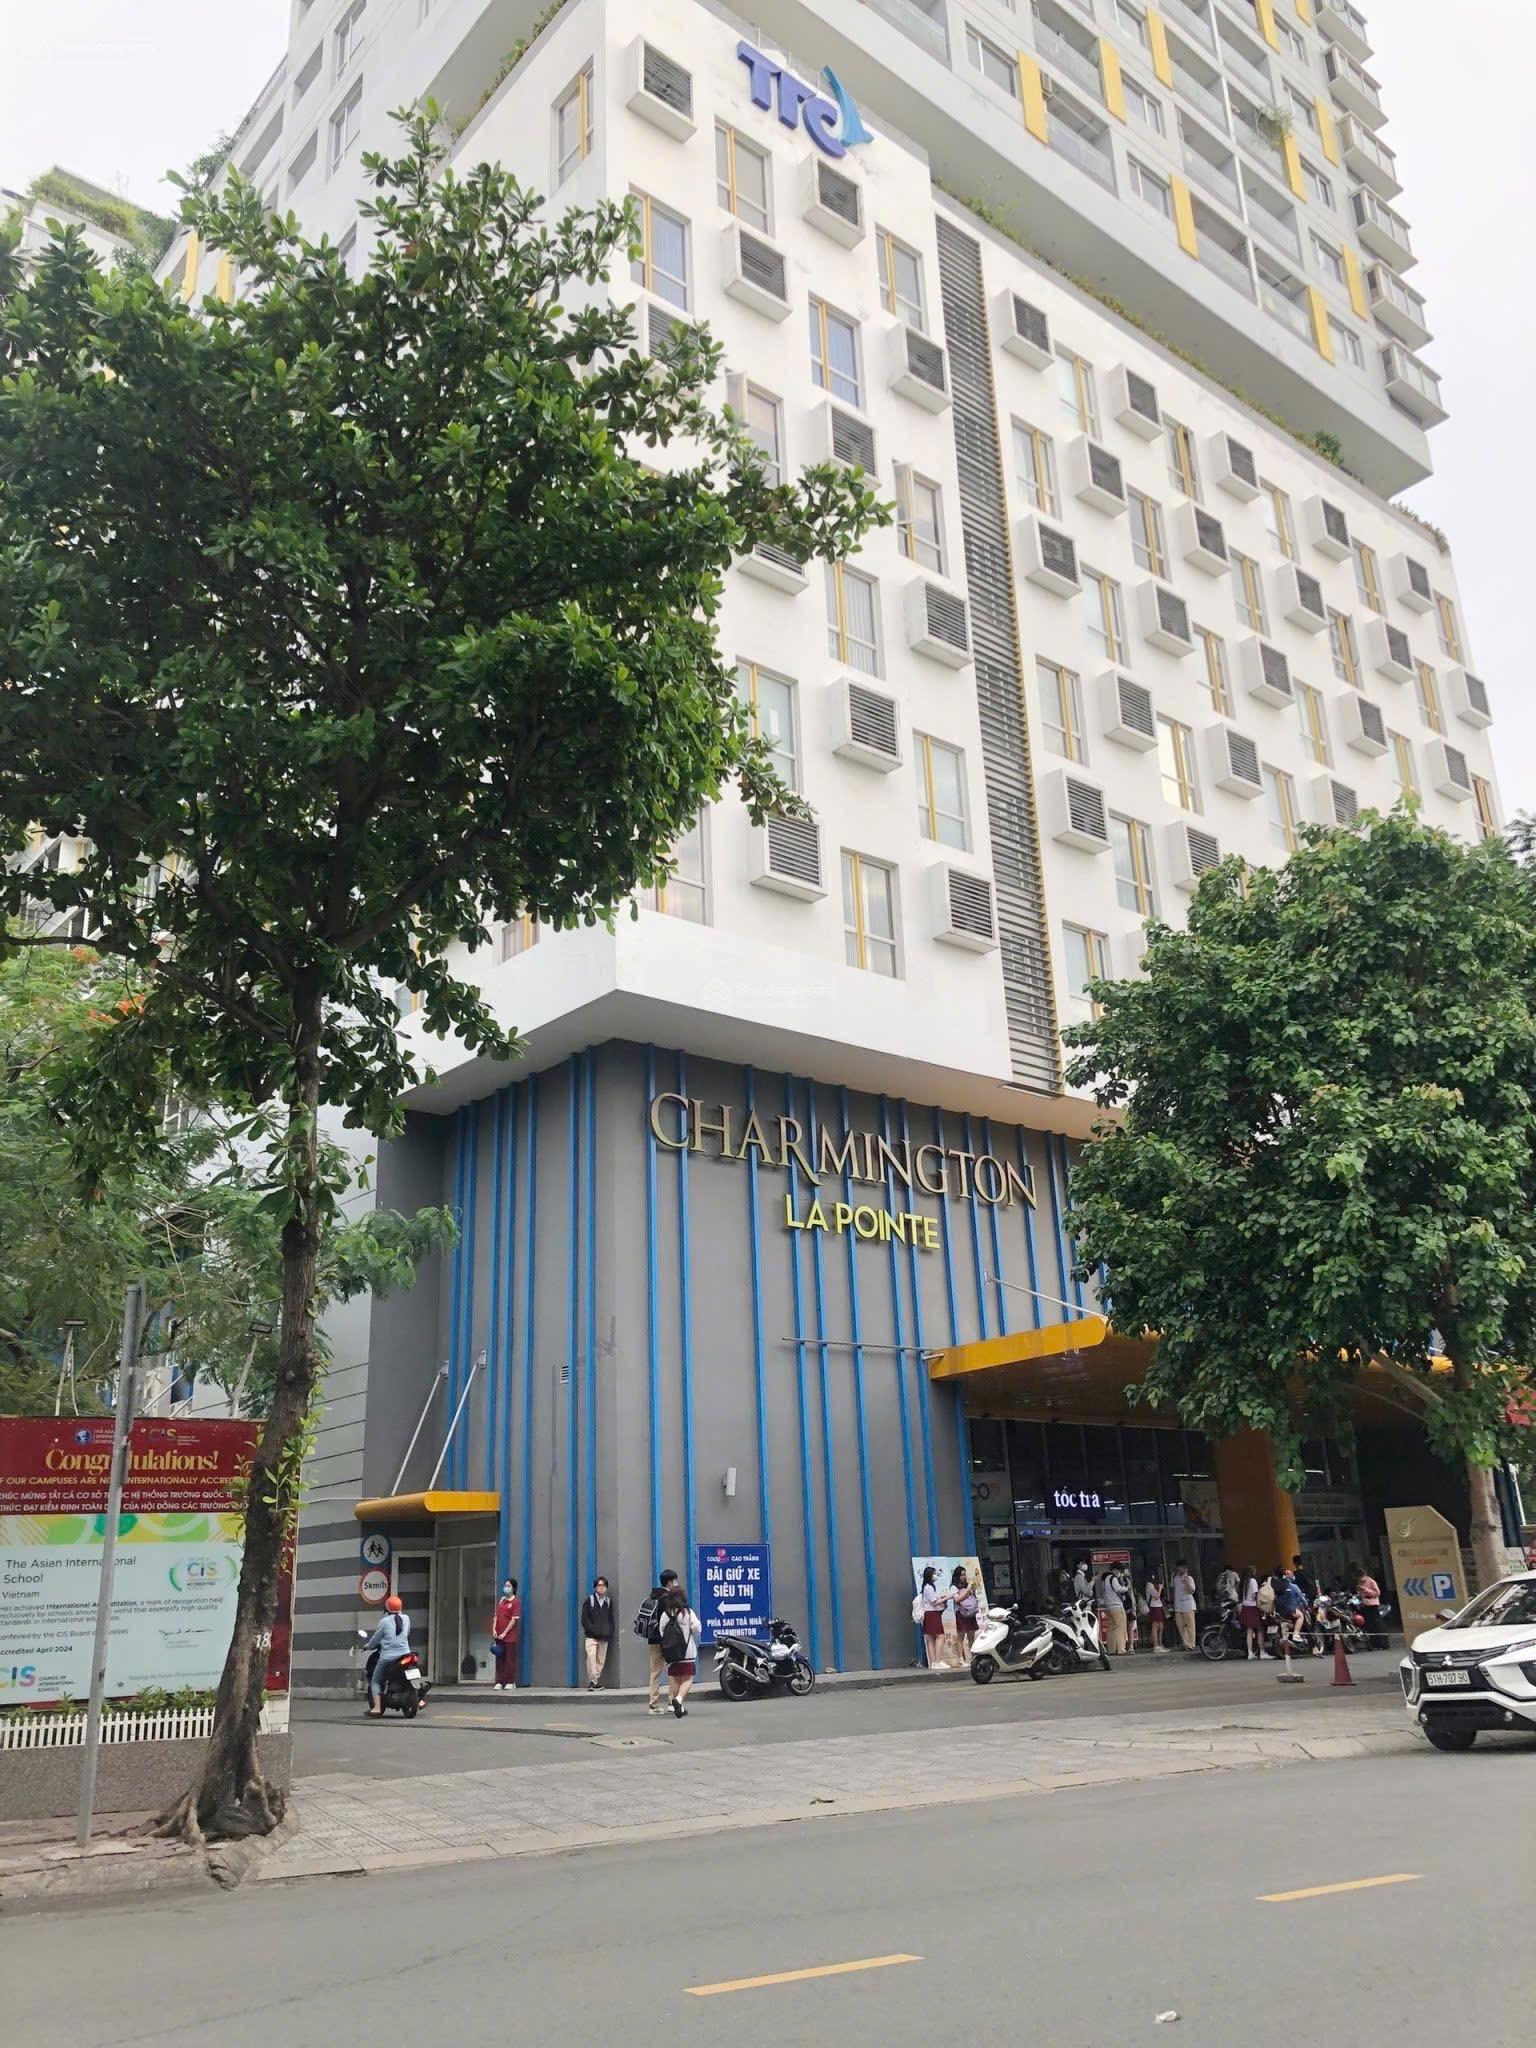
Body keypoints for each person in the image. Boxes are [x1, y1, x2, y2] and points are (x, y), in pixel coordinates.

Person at [635, 1568, 679, 1714]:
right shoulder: (669, 1598)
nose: (676, 1583)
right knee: (672, 1671)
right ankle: (672, 1702)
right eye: (675, 1581)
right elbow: (671, 1620)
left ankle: (653, 1705)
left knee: (655, 1673)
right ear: (670, 1582)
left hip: (653, 1639)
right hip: (667, 1640)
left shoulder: (653, 1596)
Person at [658, 1585, 702, 1718]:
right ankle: (679, 1699)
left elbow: (661, 1632)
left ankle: (680, 1707)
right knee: (688, 1678)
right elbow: (697, 1628)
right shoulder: (687, 1613)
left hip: (672, 1653)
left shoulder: (665, 1614)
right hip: (687, 1652)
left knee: (676, 1679)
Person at [364, 1594, 411, 1715]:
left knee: (375, 1681)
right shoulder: (406, 1618)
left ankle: (377, 1708)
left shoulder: (384, 1622)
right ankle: (419, 1701)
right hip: (406, 1654)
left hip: (388, 1657)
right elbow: (407, 1634)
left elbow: (376, 1639)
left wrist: (368, 1646)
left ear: (387, 1608)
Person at [580, 1575, 614, 1690]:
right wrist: (593, 1630)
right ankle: (592, 1682)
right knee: (591, 1657)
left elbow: (610, 1619)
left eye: (604, 1586)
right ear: (595, 1587)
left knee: (600, 1661)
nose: (602, 1588)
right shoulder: (589, 1601)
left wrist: (609, 1631)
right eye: (599, 1585)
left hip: (604, 1637)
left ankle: (594, 1681)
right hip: (591, 1636)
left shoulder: (608, 1602)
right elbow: (584, 1620)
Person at [491, 1577, 521, 1690]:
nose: (506, 1588)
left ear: (513, 1588)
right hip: (499, 1636)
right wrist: (494, 1629)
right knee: (500, 1659)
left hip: (509, 1636)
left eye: (509, 1586)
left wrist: (505, 1633)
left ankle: (510, 1681)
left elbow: (513, 1620)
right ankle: (499, 1681)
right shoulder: (501, 1600)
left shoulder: (515, 1602)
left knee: (509, 1659)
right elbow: (496, 1616)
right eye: (505, 1585)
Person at [918, 1564, 950, 1667]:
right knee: (940, 1636)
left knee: (930, 1639)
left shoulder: (925, 1587)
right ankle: (938, 1661)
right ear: (930, 1575)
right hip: (932, 1614)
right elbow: (934, 1602)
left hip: (928, 1614)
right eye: (934, 1573)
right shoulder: (930, 1587)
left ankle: (933, 1663)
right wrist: (947, 1597)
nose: (936, 1575)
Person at [1275, 1567, 1310, 1652]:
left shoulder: (1277, 1585)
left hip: (1278, 1611)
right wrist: (1307, 1606)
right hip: (1289, 1609)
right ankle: (1296, 1634)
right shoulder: (1293, 1586)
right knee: (1300, 1616)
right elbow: (1301, 1598)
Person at [951, 1565, 982, 1662]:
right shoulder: (954, 1587)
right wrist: (967, 1591)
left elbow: (973, 1597)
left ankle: (973, 1658)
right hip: (961, 1612)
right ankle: (961, 1658)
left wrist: (973, 1590)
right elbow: (957, 1599)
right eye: (962, 1575)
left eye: (965, 1574)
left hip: (971, 1612)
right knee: (961, 1636)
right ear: (957, 1576)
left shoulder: (967, 1584)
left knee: (971, 1635)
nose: (964, 1577)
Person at [1097, 1565, 1128, 1657]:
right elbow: (1118, 1588)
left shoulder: (1104, 1581)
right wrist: (1126, 1588)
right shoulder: (1113, 1578)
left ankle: (1111, 1649)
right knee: (1120, 1628)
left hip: (1108, 1607)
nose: (1119, 1573)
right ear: (1115, 1570)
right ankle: (1121, 1649)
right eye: (1119, 1570)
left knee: (1111, 1628)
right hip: (1117, 1606)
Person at [1353, 1564, 1384, 1646]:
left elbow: (1377, 1593)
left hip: (1373, 1605)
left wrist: (1366, 1590)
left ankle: (1382, 1643)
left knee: (1376, 1624)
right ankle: (1373, 1643)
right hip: (1365, 1605)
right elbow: (1360, 1594)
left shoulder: (1371, 1581)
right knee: (1369, 1625)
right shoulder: (1359, 1582)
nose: (1361, 1580)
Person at [1171, 1563, 1198, 1651]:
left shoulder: (1189, 1578)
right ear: (1178, 1568)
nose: (1185, 1570)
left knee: (1190, 1625)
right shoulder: (1174, 1578)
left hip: (1188, 1604)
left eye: (1186, 1568)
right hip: (1178, 1605)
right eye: (1183, 1568)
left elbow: (1192, 1591)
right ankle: (1185, 1643)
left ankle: (1191, 1644)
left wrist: (1186, 1582)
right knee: (1180, 1625)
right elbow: (1173, 1589)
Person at [1239, 1567, 1264, 1660]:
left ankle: (1250, 1652)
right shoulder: (1253, 1581)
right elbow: (1254, 1595)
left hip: (1245, 1607)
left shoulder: (1244, 1582)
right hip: (1253, 1608)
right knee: (1260, 1629)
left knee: (1249, 1631)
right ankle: (1262, 1651)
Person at [1144, 1572, 1168, 1654]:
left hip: (1158, 1606)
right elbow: (1157, 1596)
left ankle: (1160, 1644)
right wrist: (1160, 1588)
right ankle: (1156, 1646)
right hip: (1154, 1606)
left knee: (1161, 1626)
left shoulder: (1153, 1585)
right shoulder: (1149, 1585)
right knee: (1155, 1626)